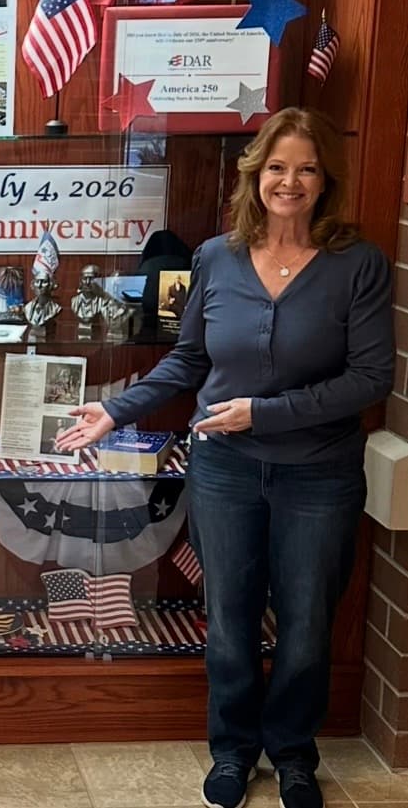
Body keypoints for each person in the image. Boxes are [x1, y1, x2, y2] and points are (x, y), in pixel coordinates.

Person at [55, 108, 393, 808]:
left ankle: (294, 755)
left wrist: (262, 412)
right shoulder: (214, 256)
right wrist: (115, 409)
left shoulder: (356, 264)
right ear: (254, 174)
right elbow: (188, 359)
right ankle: (232, 751)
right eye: (275, 166)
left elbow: (369, 379)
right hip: (225, 471)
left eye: (305, 167)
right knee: (230, 619)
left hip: (318, 473)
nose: (288, 181)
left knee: (304, 623)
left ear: (325, 177)